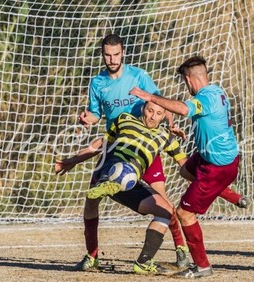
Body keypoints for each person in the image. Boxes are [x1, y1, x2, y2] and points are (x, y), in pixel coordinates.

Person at [75, 33, 191, 269]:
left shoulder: (138, 76)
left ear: (123, 53)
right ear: (102, 55)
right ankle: (92, 256)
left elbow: (158, 101)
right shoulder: (97, 83)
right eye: (107, 55)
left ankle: (181, 249)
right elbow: (97, 113)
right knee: (91, 200)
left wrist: (170, 124)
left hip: (145, 148)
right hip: (116, 147)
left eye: (116, 54)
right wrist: (90, 117)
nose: (112, 59)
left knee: (164, 203)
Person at [130, 56, 240, 278]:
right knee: (185, 171)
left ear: (189, 79)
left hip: (216, 167)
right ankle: (232, 196)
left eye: (184, 82)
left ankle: (202, 267)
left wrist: (152, 97)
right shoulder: (217, 90)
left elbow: (184, 109)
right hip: (209, 158)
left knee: (185, 213)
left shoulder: (206, 99)